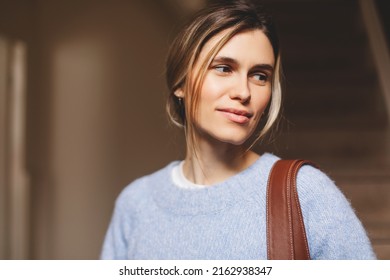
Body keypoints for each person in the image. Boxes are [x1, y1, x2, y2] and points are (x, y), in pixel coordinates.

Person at [101, 0, 375, 260]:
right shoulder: (136, 203)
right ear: (180, 83)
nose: (244, 92)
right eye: (223, 68)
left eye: (259, 76)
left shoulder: (307, 193)